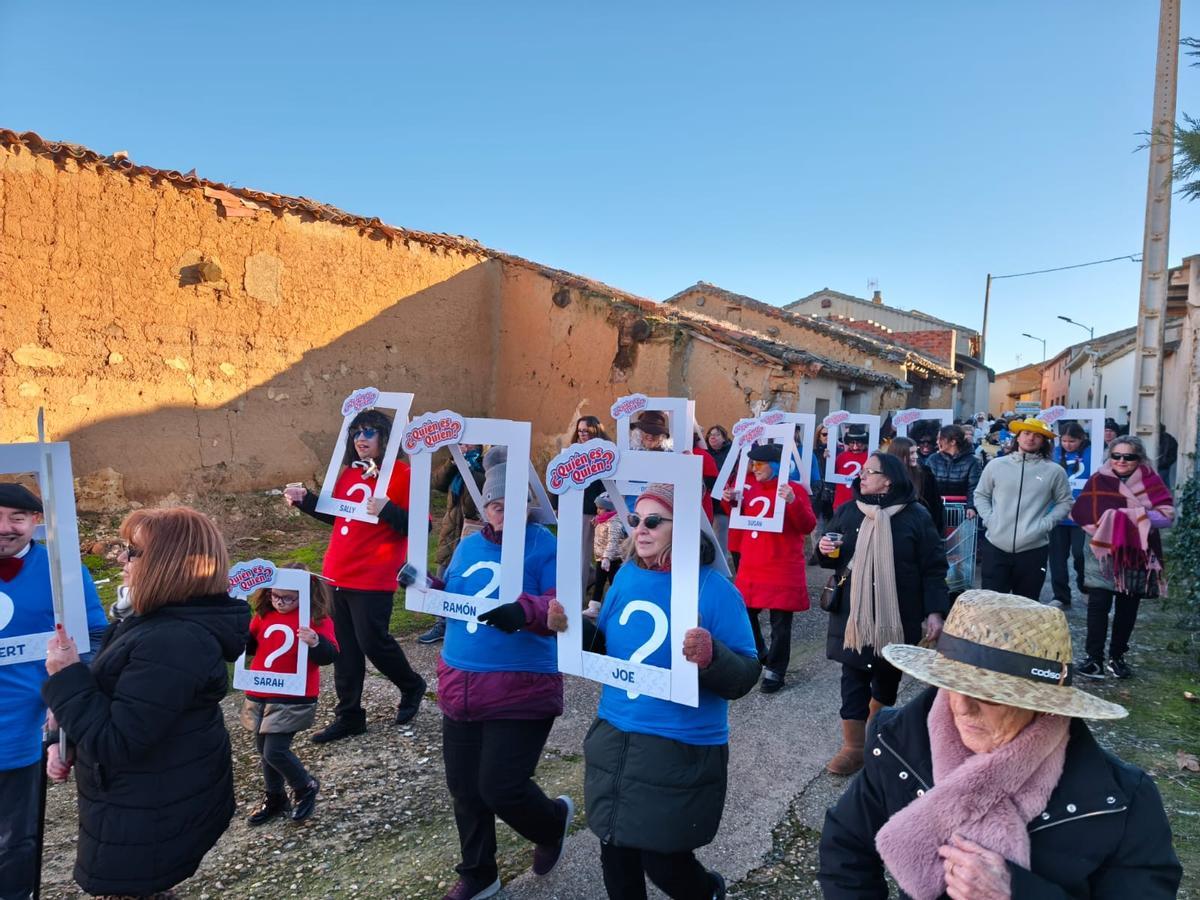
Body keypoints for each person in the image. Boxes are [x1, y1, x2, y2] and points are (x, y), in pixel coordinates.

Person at [818, 590, 1182, 899]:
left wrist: (1017, 892)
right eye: (950, 685)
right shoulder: (902, 739)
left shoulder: (1118, 799)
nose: (961, 706)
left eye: (989, 696)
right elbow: (845, 844)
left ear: (1041, 706)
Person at [547, 483, 760, 900]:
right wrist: (571, 628)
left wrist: (712, 655)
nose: (640, 529)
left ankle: (707, 892)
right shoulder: (626, 576)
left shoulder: (714, 590)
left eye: (653, 521)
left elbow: (746, 674)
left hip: (678, 746)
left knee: (663, 859)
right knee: (615, 851)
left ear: (682, 528)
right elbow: (607, 647)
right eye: (635, 520)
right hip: (616, 735)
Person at [42, 507, 250, 898]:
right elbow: (114, 698)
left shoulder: (172, 640)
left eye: (133, 552)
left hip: (149, 808)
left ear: (168, 564)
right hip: (141, 799)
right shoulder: (148, 620)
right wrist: (62, 734)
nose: (122, 559)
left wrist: (65, 675)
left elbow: (119, 741)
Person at [437, 448, 571, 900]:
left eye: (514, 504)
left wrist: (526, 610)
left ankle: (551, 823)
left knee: (500, 786)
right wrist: (423, 586)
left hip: (521, 685)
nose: (505, 513)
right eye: (497, 505)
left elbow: (560, 605)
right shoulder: (469, 544)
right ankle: (479, 873)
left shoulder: (546, 545)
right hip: (461, 684)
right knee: (464, 790)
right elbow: (454, 595)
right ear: (486, 508)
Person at [283, 407, 427, 743]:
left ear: (386, 438)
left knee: (373, 643)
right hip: (338, 571)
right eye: (357, 432)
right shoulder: (349, 473)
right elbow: (340, 517)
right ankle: (349, 716)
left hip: (373, 575)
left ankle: (411, 685)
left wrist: (388, 510)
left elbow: (423, 526)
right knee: (345, 648)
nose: (361, 439)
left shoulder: (403, 475)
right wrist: (306, 501)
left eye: (369, 432)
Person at [0, 484, 108, 900]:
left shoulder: (61, 571)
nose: (5, 528)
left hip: (22, 736)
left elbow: (95, 637)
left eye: (18, 517)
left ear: (36, 522)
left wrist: (63, 705)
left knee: (15, 840)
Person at [817, 452, 949, 776]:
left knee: (887, 678)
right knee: (852, 677)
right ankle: (853, 747)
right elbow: (831, 558)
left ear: (888, 479)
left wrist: (935, 612)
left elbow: (934, 568)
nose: (861, 476)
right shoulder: (848, 512)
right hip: (854, 615)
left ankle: (875, 737)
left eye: (869, 472)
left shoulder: (916, 515)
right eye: (862, 471)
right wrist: (824, 550)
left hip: (898, 613)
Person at [241, 565, 339, 825]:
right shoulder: (264, 614)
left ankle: (305, 786)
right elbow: (251, 645)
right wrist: (238, 632)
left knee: (275, 750)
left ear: (305, 595)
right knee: (263, 749)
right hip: (261, 689)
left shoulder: (316, 620)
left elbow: (330, 655)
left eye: (288, 598)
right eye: (275, 595)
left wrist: (316, 641)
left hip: (294, 693)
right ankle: (275, 797)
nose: (280, 602)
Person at [1072, 436, 1175, 680]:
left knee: (1127, 608)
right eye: (1116, 456)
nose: (1121, 461)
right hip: (1102, 553)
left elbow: (1168, 515)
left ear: (1139, 459)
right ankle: (1093, 659)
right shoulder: (1099, 479)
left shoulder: (1151, 480)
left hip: (1135, 553)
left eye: (1128, 457)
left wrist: (1131, 516)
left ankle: (1117, 657)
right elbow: (1081, 511)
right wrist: (1108, 523)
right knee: (1098, 606)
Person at [723, 442, 816, 694]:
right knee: (745, 613)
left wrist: (794, 501)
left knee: (780, 623)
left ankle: (775, 671)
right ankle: (761, 650)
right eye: (753, 464)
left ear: (775, 466)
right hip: (753, 563)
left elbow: (807, 525)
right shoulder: (749, 487)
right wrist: (730, 501)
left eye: (759, 464)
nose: (754, 468)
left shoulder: (793, 489)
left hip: (781, 563)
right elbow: (738, 516)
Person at [974, 417, 1073, 601]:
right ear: (1017, 437)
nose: (1031, 438)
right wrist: (990, 520)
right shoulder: (996, 465)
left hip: (1033, 549)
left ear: (1044, 441)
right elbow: (980, 495)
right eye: (1026, 433)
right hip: (996, 545)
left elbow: (1065, 502)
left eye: (1037, 435)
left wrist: (1044, 525)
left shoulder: (1054, 471)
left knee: (1027, 606)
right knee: (990, 605)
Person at [419, 443, 487, 645]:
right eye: (461, 443)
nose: (464, 446)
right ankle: (440, 623)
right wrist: (452, 462)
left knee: (470, 576)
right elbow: (438, 482)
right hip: (451, 528)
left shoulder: (484, 465)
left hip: (472, 528)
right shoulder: (455, 463)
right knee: (443, 572)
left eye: (468, 442)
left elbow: (479, 492)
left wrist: (468, 467)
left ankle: (466, 621)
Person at [1048, 422, 1092, 610]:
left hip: (1083, 514)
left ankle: (1085, 587)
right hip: (1056, 512)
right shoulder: (1054, 453)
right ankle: (1061, 595)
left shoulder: (1093, 452)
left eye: (1072, 441)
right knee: (1057, 557)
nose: (1067, 444)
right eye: (1064, 440)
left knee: (1080, 553)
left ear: (1081, 438)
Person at [886, 436, 944, 533]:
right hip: (894, 530)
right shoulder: (885, 475)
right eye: (911, 453)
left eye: (915, 452)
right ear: (900, 453)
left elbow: (935, 506)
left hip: (922, 530)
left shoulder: (925, 474)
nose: (916, 456)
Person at [925, 424, 983, 519]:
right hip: (936, 510)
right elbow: (926, 484)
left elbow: (974, 487)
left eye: (940, 439)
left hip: (962, 512)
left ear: (952, 442)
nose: (937, 442)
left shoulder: (972, 461)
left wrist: (971, 507)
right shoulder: (933, 459)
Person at [586, 492, 623, 619]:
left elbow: (613, 541)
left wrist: (607, 557)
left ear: (609, 509)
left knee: (614, 583)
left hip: (613, 559)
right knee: (599, 582)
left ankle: (617, 606)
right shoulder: (603, 520)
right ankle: (594, 607)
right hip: (601, 558)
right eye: (598, 507)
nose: (598, 511)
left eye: (601, 508)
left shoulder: (614, 522)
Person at [705, 425, 734, 560]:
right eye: (710, 434)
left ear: (724, 437)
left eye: (717, 434)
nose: (712, 437)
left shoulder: (733, 452)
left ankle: (721, 562)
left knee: (721, 530)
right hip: (708, 498)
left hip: (724, 499)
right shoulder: (704, 453)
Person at [831, 426, 870, 510]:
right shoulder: (841, 457)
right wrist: (826, 460)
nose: (855, 447)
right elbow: (829, 476)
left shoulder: (871, 458)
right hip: (840, 506)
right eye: (852, 443)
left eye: (859, 443)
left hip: (863, 506)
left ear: (865, 442)